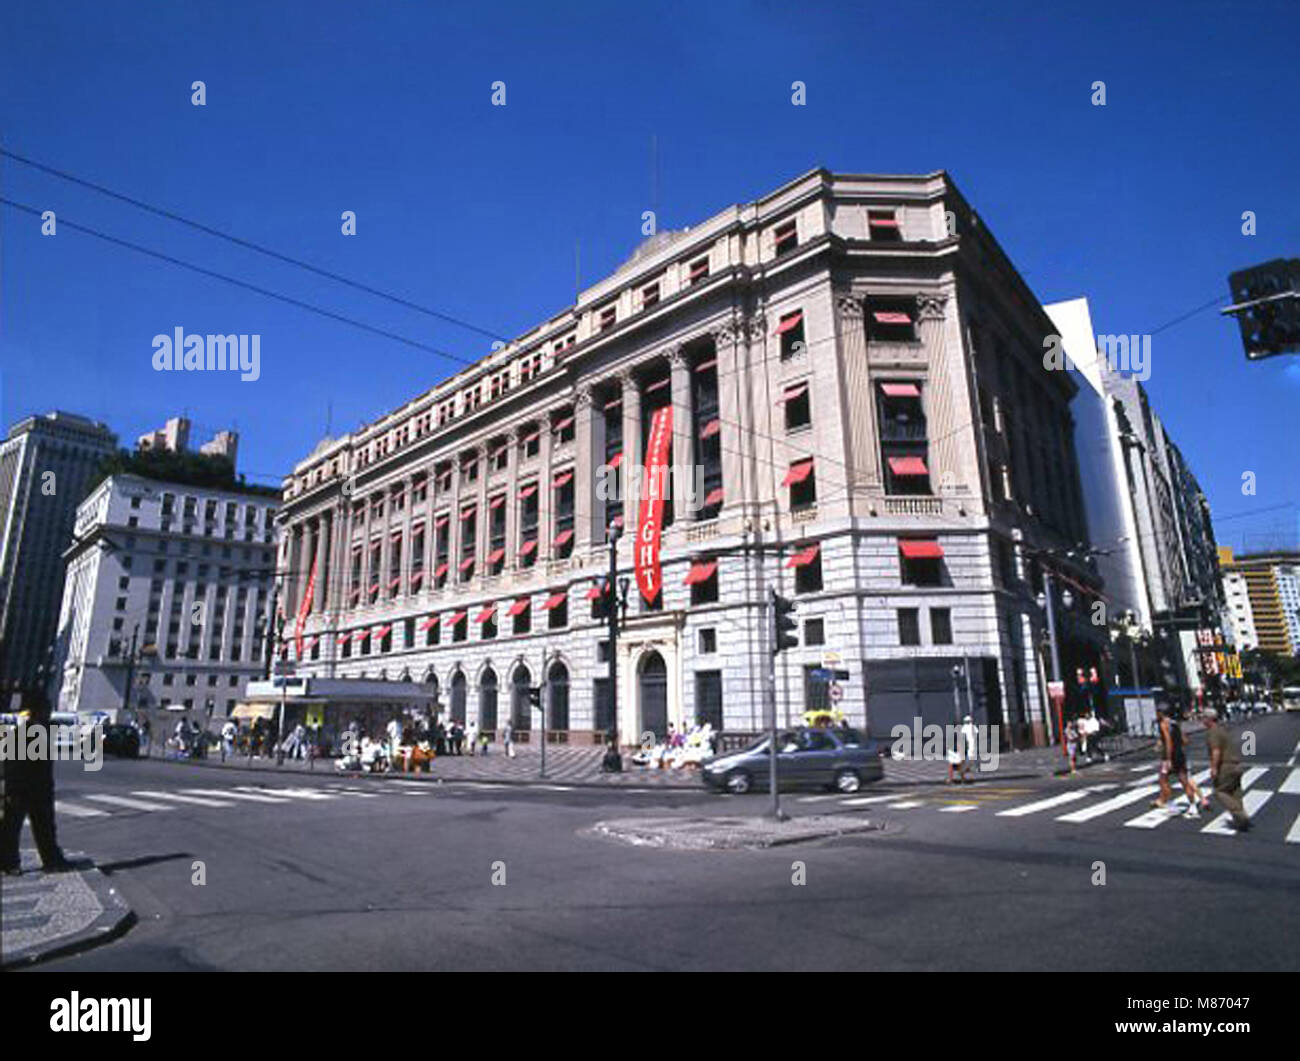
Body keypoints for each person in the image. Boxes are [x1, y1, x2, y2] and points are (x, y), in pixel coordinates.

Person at [1, 688, 73, 875]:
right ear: (37, 711)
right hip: (23, 790)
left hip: (34, 790)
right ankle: (11, 864)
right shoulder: (25, 734)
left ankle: (47, 860)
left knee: (40, 828)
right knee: (15, 829)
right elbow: (12, 764)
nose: (48, 713)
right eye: (46, 710)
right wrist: (10, 790)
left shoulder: (38, 732)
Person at [1151, 706, 1206, 817]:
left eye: (1157, 712)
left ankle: (1167, 803)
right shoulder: (1175, 723)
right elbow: (1185, 740)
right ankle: (1193, 806)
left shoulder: (1163, 724)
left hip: (1170, 757)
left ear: (1161, 713)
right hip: (1180, 755)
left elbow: (1168, 742)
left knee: (1163, 780)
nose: (1156, 715)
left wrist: (1168, 758)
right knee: (1184, 781)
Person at [1203, 708, 1249, 831]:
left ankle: (1240, 814)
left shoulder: (1213, 732)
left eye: (1203, 718)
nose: (1202, 720)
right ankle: (1240, 821)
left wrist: (1213, 768)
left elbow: (1216, 751)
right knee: (1235, 792)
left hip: (1226, 766)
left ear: (1209, 719)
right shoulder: (1222, 730)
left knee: (1220, 792)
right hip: (1236, 765)